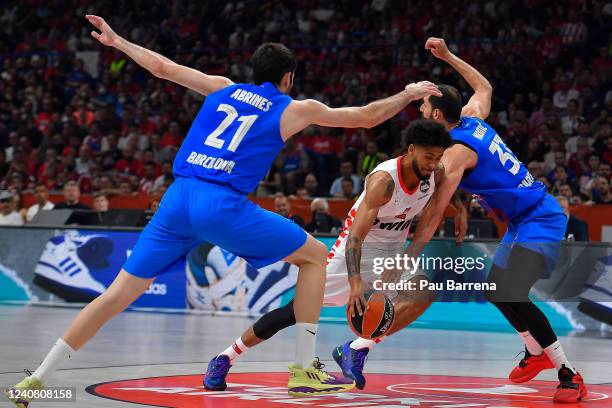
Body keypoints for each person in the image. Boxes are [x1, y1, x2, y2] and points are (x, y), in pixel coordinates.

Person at [5, 14, 443, 405]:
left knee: (115, 295)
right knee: (312, 256)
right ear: (288, 78)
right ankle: (305, 370)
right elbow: (365, 117)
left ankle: (38, 379)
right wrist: (406, 93)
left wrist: (118, 42)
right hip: (222, 204)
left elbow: (162, 67)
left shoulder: (223, 87)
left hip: (177, 198)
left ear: (253, 72)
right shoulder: (292, 108)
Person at [206, 120, 459, 391]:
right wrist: (355, 284)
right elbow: (356, 237)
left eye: (438, 157)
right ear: (411, 150)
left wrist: (460, 211)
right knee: (294, 312)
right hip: (353, 252)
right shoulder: (383, 182)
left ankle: (356, 350)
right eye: (428, 156)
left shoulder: (435, 173)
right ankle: (226, 357)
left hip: (391, 253)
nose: (432, 163)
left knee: (422, 293)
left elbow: (444, 196)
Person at [402, 37, 587, 403]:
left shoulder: (456, 152)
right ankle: (535, 354)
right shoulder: (472, 118)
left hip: (542, 217)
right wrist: (449, 55)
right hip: (522, 222)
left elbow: (436, 207)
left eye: (424, 105)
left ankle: (569, 374)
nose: (420, 109)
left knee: (510, 291)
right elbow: (483, 86)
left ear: (438, 115)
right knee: (495, 290)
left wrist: (412, 252)